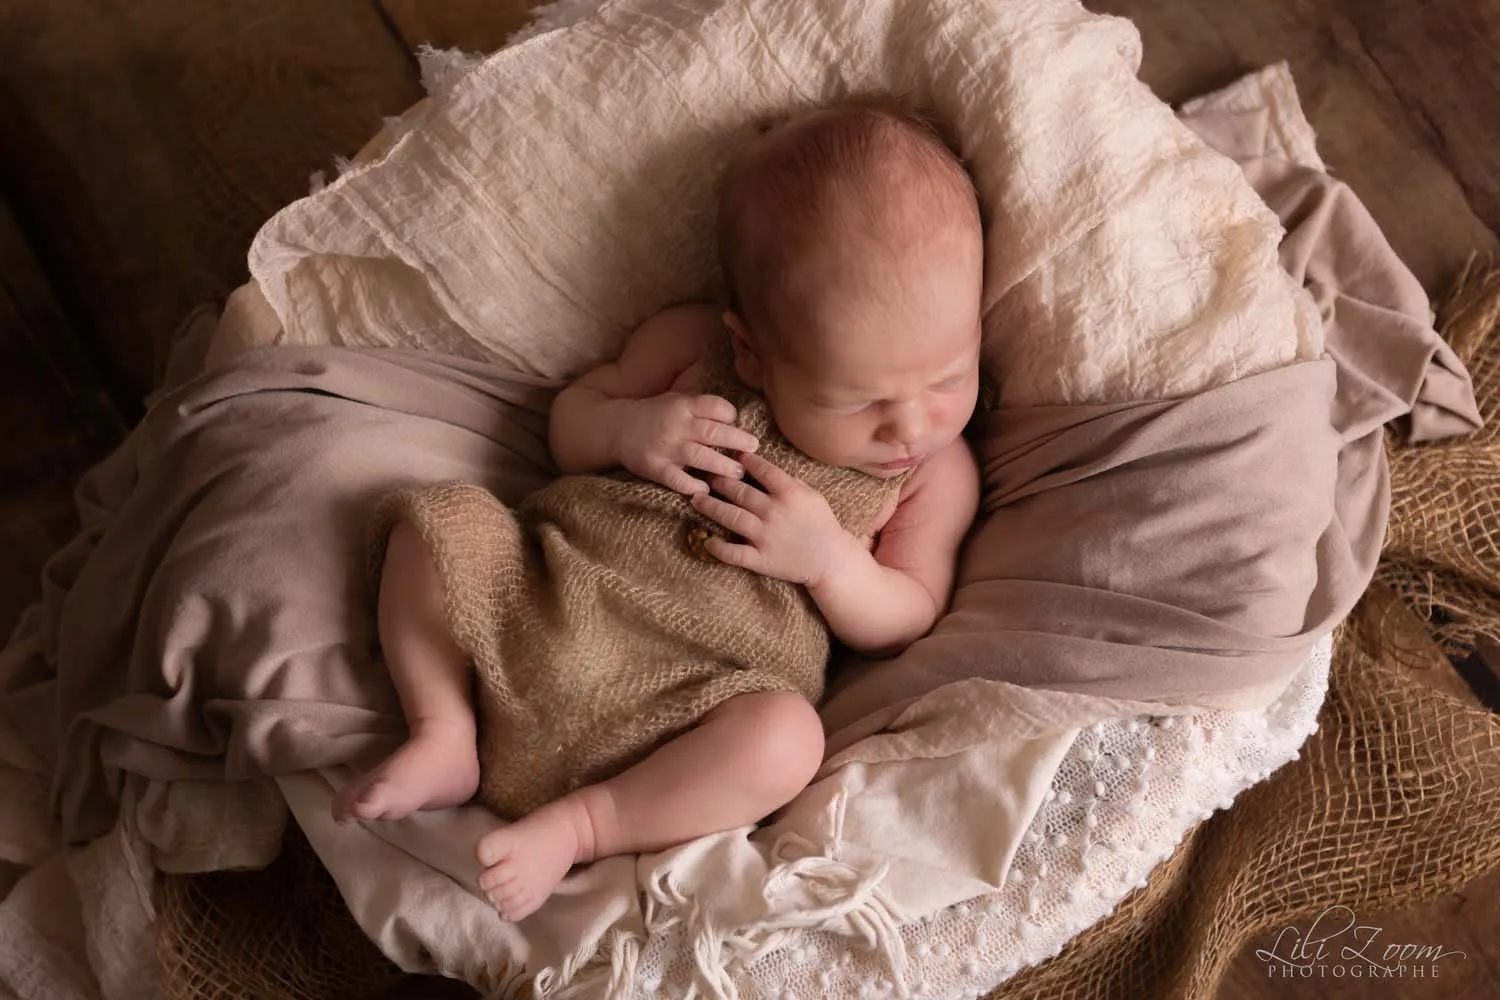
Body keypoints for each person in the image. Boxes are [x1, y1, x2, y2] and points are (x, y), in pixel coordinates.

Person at [331, 98, 985, 922]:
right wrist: (627, 427)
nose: (910, 425)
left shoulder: (930, 474)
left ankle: (582, 825)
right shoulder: (690, 352)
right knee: (440, 520)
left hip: (689, 704)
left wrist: (831, 562)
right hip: (541, 601)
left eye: (948, 378)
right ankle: (445, 730)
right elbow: (571, 427)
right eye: (854, 399)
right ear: (751, 349)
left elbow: (908, 613)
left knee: (787, 741)